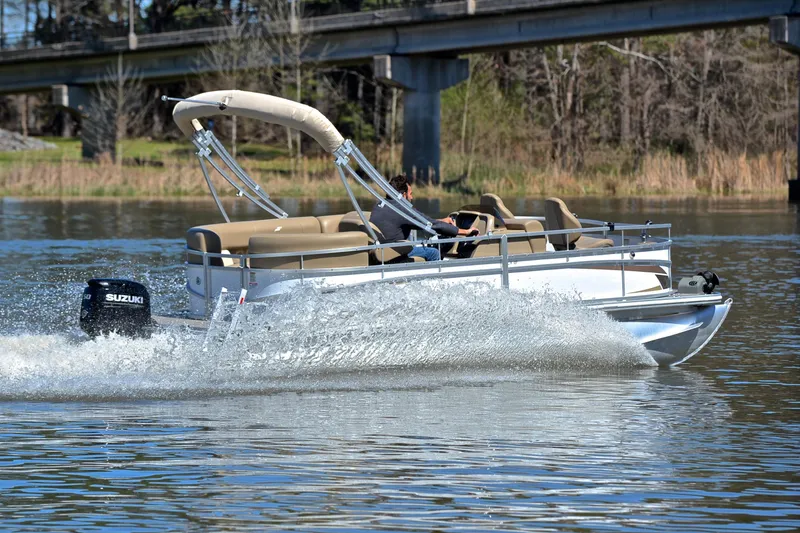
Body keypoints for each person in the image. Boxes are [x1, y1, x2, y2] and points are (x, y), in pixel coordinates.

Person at [370, 174, 478, 262]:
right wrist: (466, 232)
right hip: (393, 252)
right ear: (403, 195)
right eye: (410, 194)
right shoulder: (402, 210)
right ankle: (434, 284)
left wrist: (442, 221)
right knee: (433, 252)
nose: (412, 197)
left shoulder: (380, 204)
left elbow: (424, 221)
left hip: (380, 250)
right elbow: (434, 226)